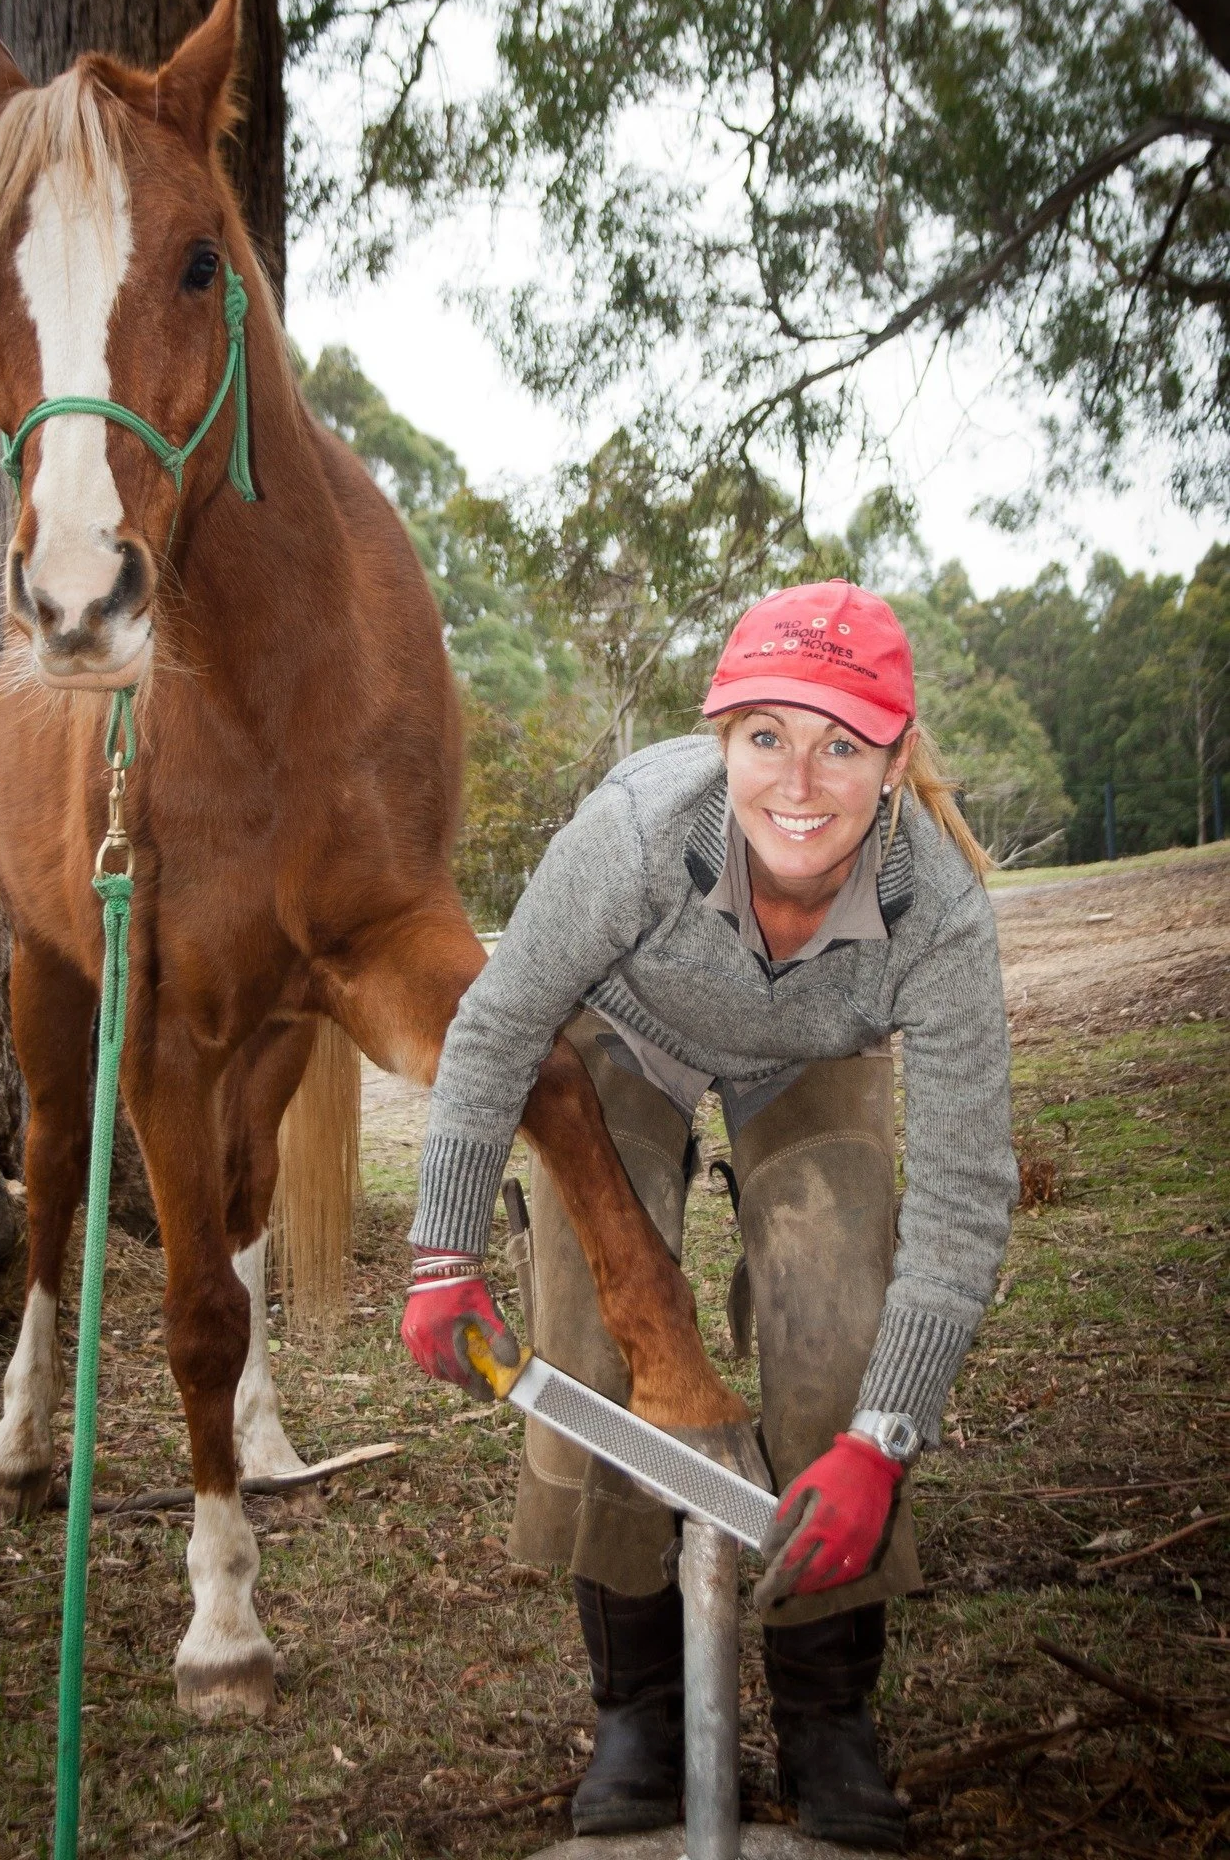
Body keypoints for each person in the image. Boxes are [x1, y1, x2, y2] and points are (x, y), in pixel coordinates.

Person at [400, 581, 1017, 1851]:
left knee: (839, 1283)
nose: (801, 778)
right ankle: (634, 1699)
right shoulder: (637, 827)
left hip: (809, 1054)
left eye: (843, 742)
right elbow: (501, 1023)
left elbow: (962, 1194)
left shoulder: (940, 911)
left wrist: (883, 1438)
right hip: (629, 1033)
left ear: (896, 760)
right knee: (585, 1297)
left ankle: (825, 1699)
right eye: (768, 734)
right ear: (720, 733)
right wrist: (443, 1249)